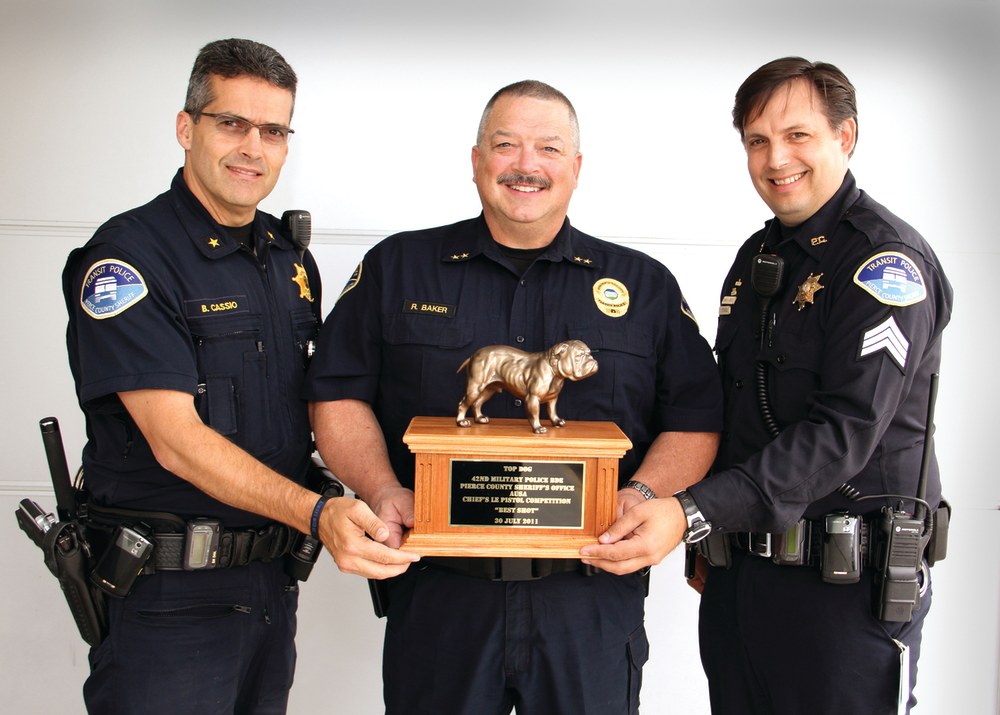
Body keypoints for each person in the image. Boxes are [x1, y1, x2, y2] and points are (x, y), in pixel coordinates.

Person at [304, 80, 723, 715]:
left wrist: (640, 498)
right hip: (441, 597)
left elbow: (695, 419)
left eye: (549, 148)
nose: (527, 165)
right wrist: (384, 490)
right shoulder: (397, 268)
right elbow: (336, 395)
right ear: (476, 160)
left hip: (589, 599)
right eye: (506, 146)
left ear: (576, 169)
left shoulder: (644, 285)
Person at [586, 58, 954, 714]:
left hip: (844, 596)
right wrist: (695, 523)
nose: (775, 157)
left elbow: (842, 431)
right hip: (742, 584)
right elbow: (736, 405)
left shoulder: (884, 265)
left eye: (797, 135)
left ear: (845, 136)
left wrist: (692, 511)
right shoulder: (759, 261)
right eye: (757, 141)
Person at [62, 38, 413, 715]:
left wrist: (385, 486)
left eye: (273, 130)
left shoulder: (288, 263)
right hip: (169, 604)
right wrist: (318, 512)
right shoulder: (127, 261)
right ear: (185, 128)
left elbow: (316, 407)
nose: (252, 147)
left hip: (269, 589)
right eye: (231, 123)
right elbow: (175, 439)